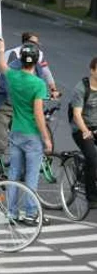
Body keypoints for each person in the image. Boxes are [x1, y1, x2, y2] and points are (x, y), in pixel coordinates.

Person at [0, 38, 52, 226]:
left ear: (21, 59)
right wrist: (46, 137)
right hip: (32, 134)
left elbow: (2, 66)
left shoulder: (14, 76)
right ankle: (31, 213)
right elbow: (38, 114)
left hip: (16, 130)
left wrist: (1, 49)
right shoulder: (38, 84)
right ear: (36, 61)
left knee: (13, 173)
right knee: (31, 175)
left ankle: (11, 213)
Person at [69, 57, 97, 207]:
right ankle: (92, 197)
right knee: (92, 158)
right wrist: (85, 130)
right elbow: (77, 115)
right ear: (92, 70)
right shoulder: (81, 88)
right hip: (81, 128)